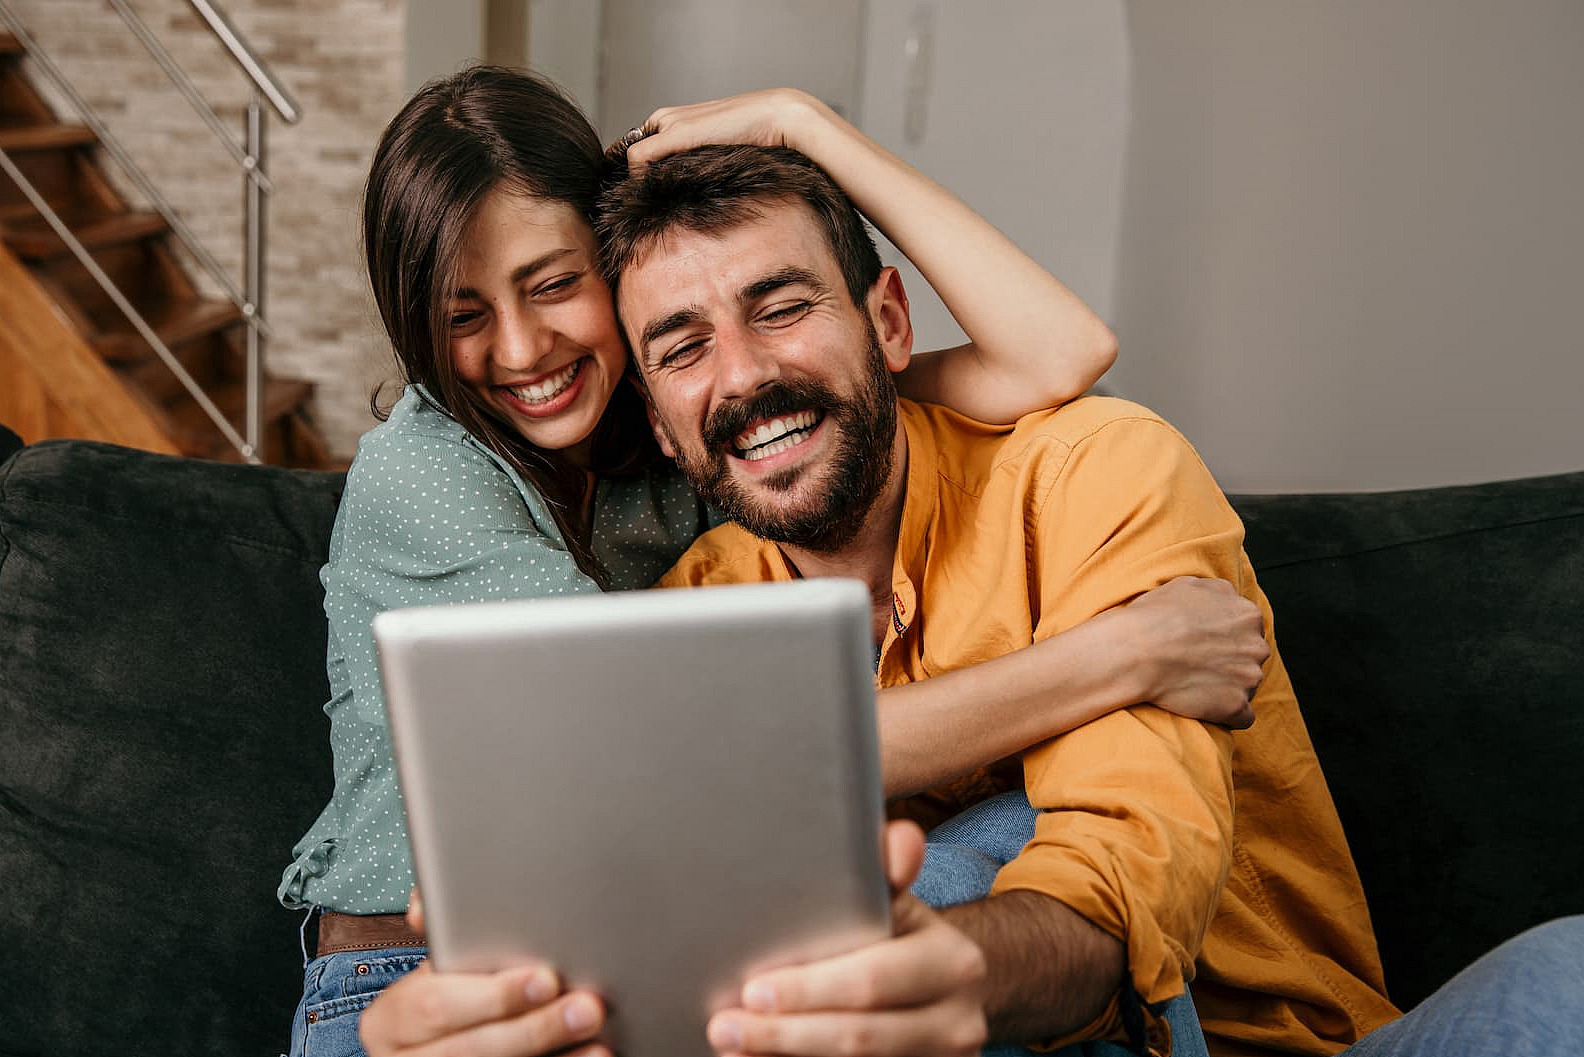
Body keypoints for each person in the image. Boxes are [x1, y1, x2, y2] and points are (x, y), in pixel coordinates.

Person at [283, 70, 1270, 1057]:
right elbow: (666, 769)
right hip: (407, 978)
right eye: (463, 317)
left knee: (965, 863)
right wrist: (1122, 656)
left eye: (553, 284)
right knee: (951, 864)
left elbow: (1055, 350)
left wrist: (802, 124)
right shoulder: (422, 471)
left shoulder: (686, 428)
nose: (522, 347)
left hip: (615, 931)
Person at [591, 133, 1584, 1055]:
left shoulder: (1093, 473)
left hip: (1234, 1041)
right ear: (663, 426)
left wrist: (954, 970)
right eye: (683, 349)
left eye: (784, 307)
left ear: (889, 322)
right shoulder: (699, 607)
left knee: (1565, 974)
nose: (747, 375)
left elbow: (1116, 872)